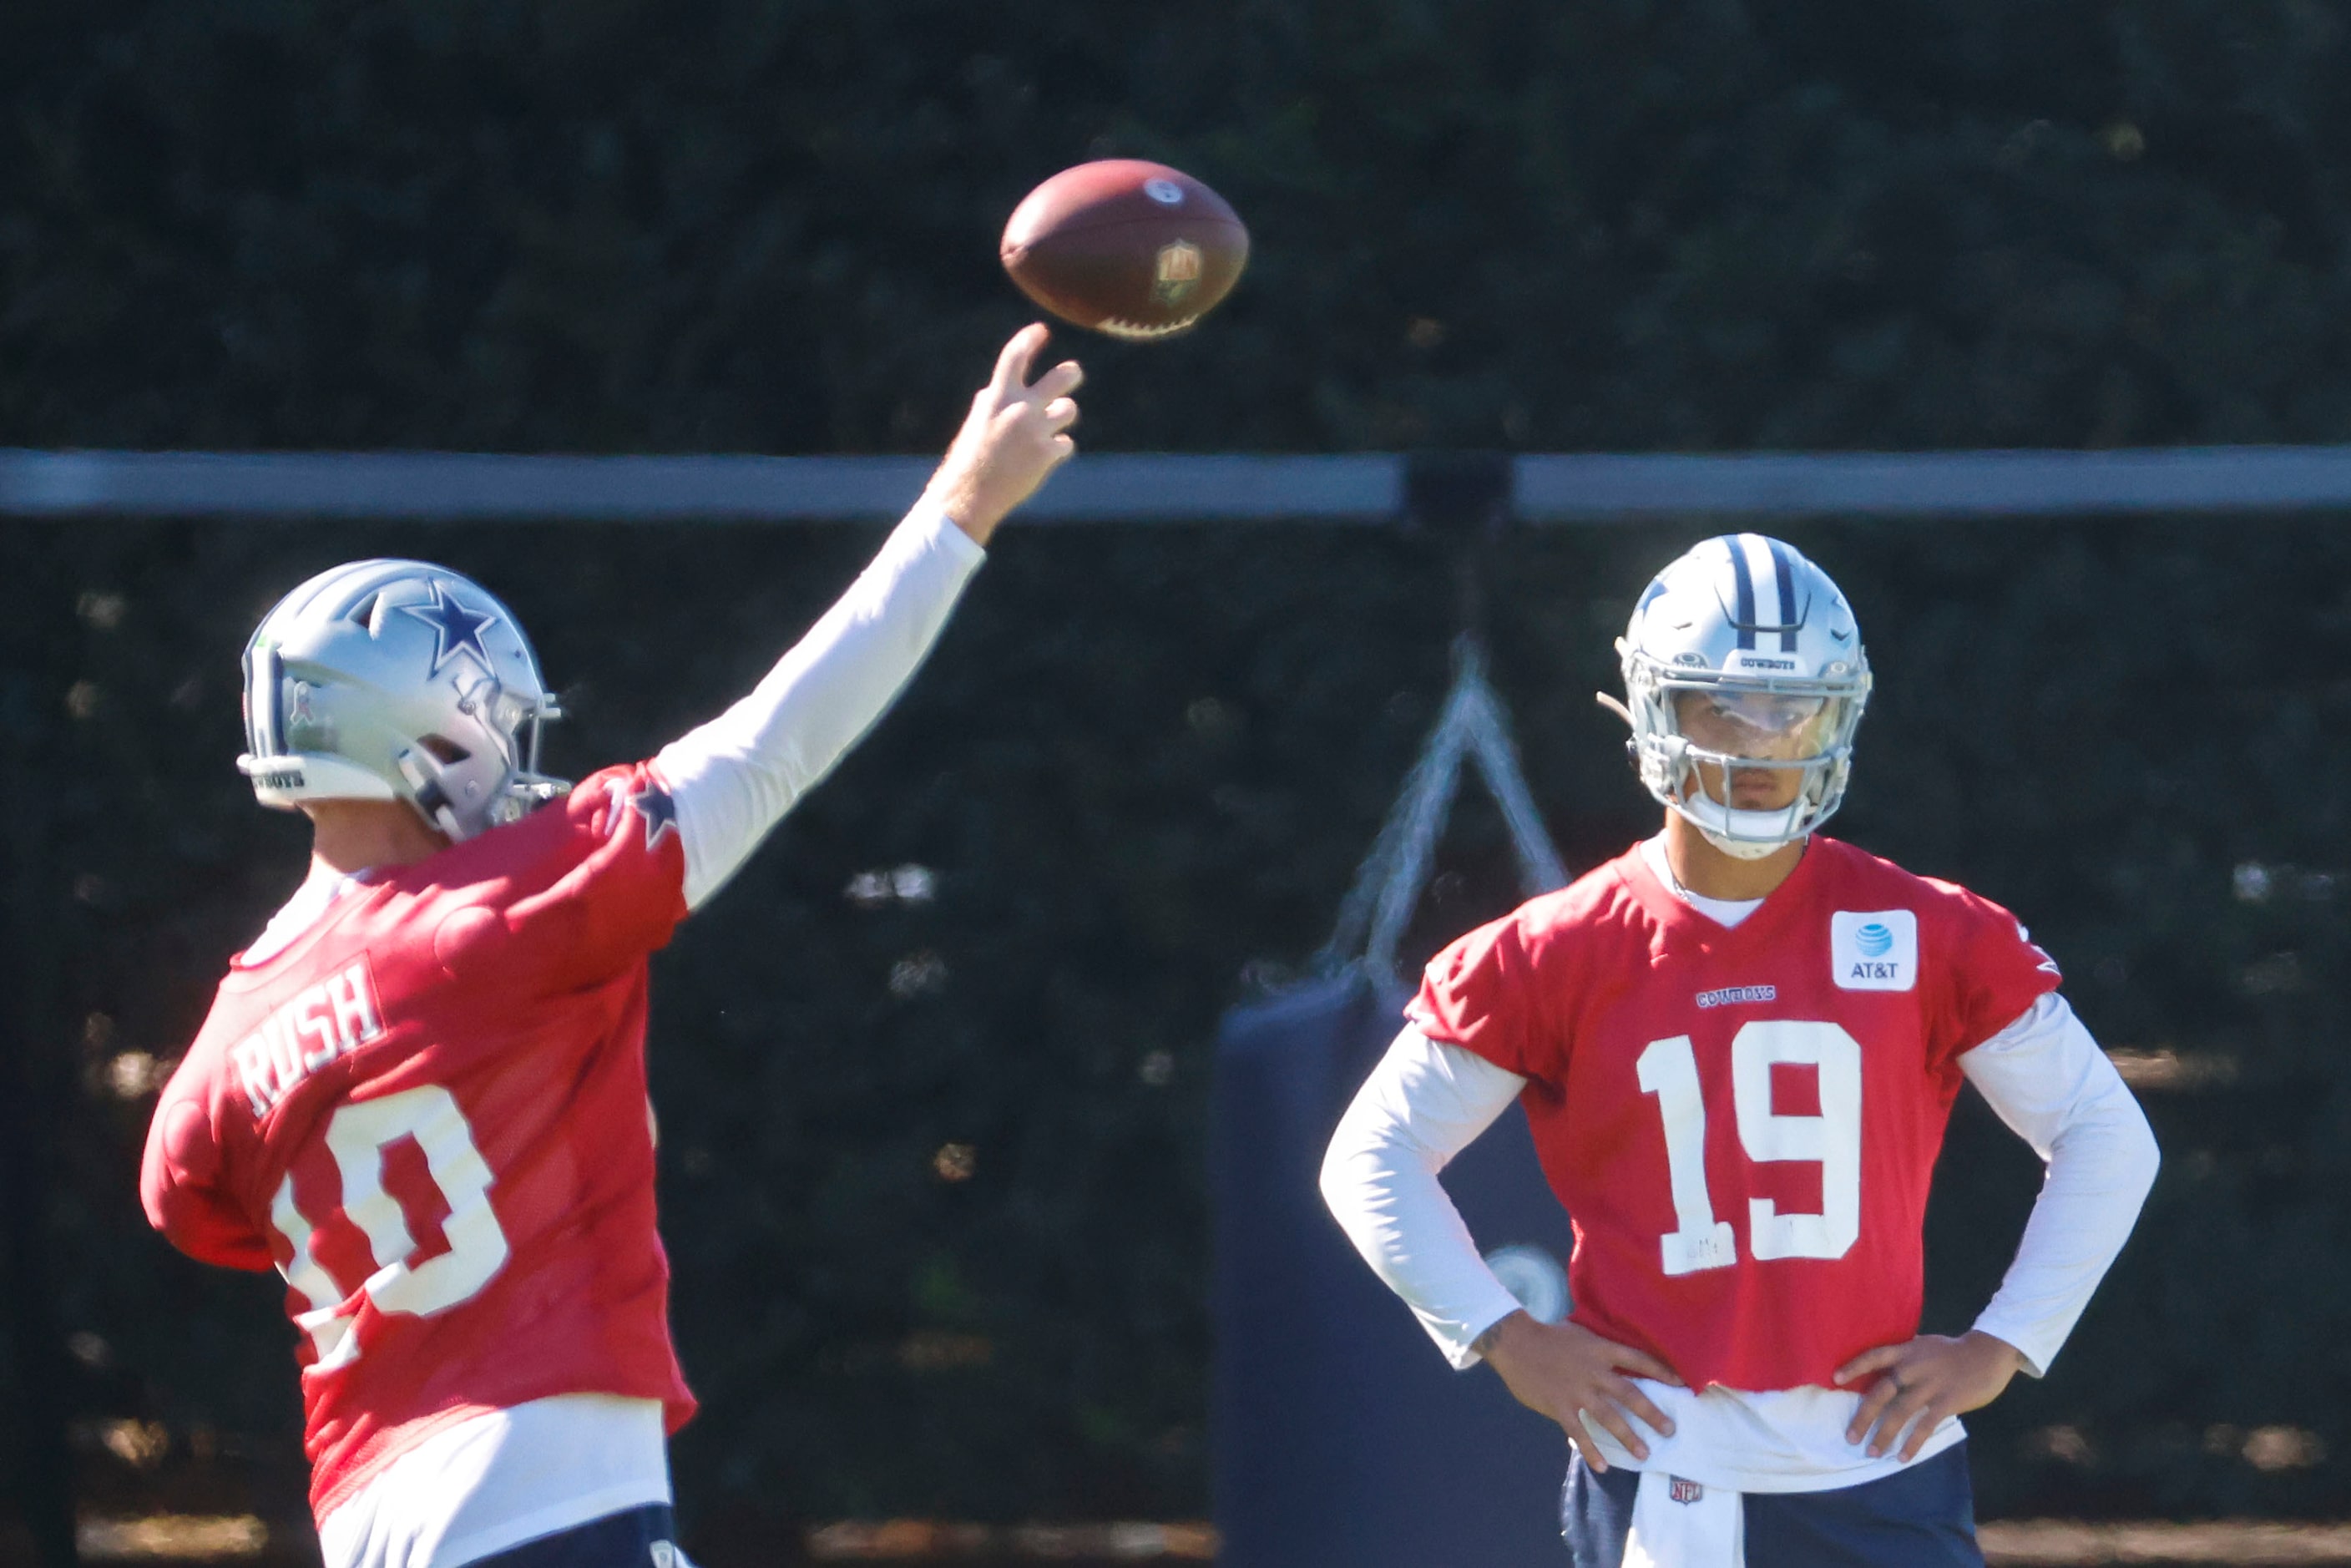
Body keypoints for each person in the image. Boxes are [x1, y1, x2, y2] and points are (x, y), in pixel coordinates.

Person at [139, 326, 1082, 1568]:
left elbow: (188, 1205)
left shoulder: (228, 1038)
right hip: (539, 1495)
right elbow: (777, 738)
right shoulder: (500, 917)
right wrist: (962, 503)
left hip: (367, 1518)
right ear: (426, 735)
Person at [1320, 534, 2161, 1566]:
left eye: (1792, 708)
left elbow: (2103, 1134)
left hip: (1879, 1457)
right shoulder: (1558, 950)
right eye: (1723, 706)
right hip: (1668, 1459)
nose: (1761, 745)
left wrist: (2003, 1343)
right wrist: (1507, 1337)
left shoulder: (1930, 932)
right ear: (1653, 710)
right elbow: (1371, 1156)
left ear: (1839, 713)